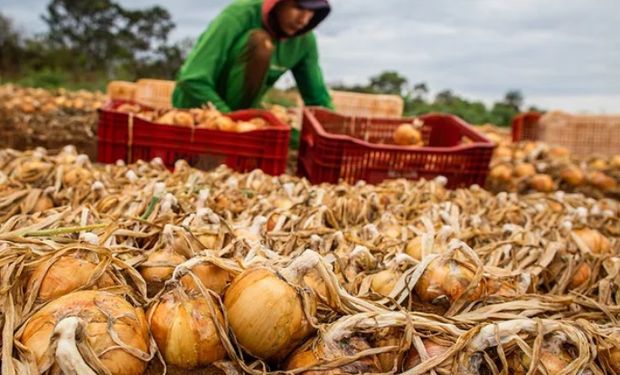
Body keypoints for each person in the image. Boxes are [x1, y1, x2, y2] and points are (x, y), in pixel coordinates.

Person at [172, 0, 334, 112]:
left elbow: (318, 100)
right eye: (298, 7)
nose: (304, 20)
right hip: (197, 108)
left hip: (244, 113)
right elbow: (192, 79)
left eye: (312, 11)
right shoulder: (238, 15)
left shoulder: (305, 41)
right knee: (260, 42)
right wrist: (229, 120)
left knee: (293, 135)